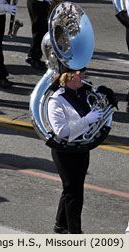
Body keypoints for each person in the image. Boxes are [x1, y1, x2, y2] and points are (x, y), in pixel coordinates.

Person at [47, 66, 116, 234]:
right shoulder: (57, 100)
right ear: (69, 78)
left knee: (73, 187)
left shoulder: (84, 92)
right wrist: (87, 120)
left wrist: (106, 99)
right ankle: (75, 233)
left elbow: (97, 111)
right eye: (80, 74)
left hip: (82, 147)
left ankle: (60, 224)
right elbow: (61, 131)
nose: (84, 76)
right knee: (74, 192)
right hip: (64, 150)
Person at [25, 0, 53, 70]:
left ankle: (33, 56)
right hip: (36, 3)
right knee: (38, 31)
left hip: (44, 3)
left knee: (43, 30)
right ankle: (34, 58)